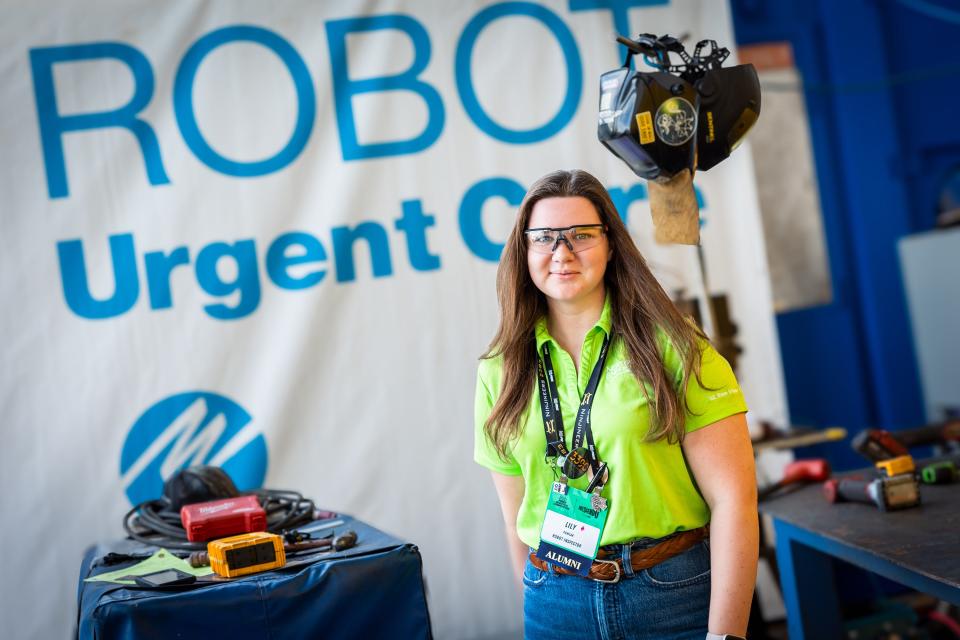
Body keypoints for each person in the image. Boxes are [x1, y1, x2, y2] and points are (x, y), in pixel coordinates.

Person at [473, 169, 757, 640]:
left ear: (610, 244)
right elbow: (515, 516)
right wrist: (543, 596)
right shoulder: (498, 371)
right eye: (543, 238)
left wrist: (726, 636)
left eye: (580, 236)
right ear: (523, 252)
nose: (561, 253)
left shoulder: (676, 347)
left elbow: (734, 501)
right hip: (556, 601)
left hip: (670, 593)